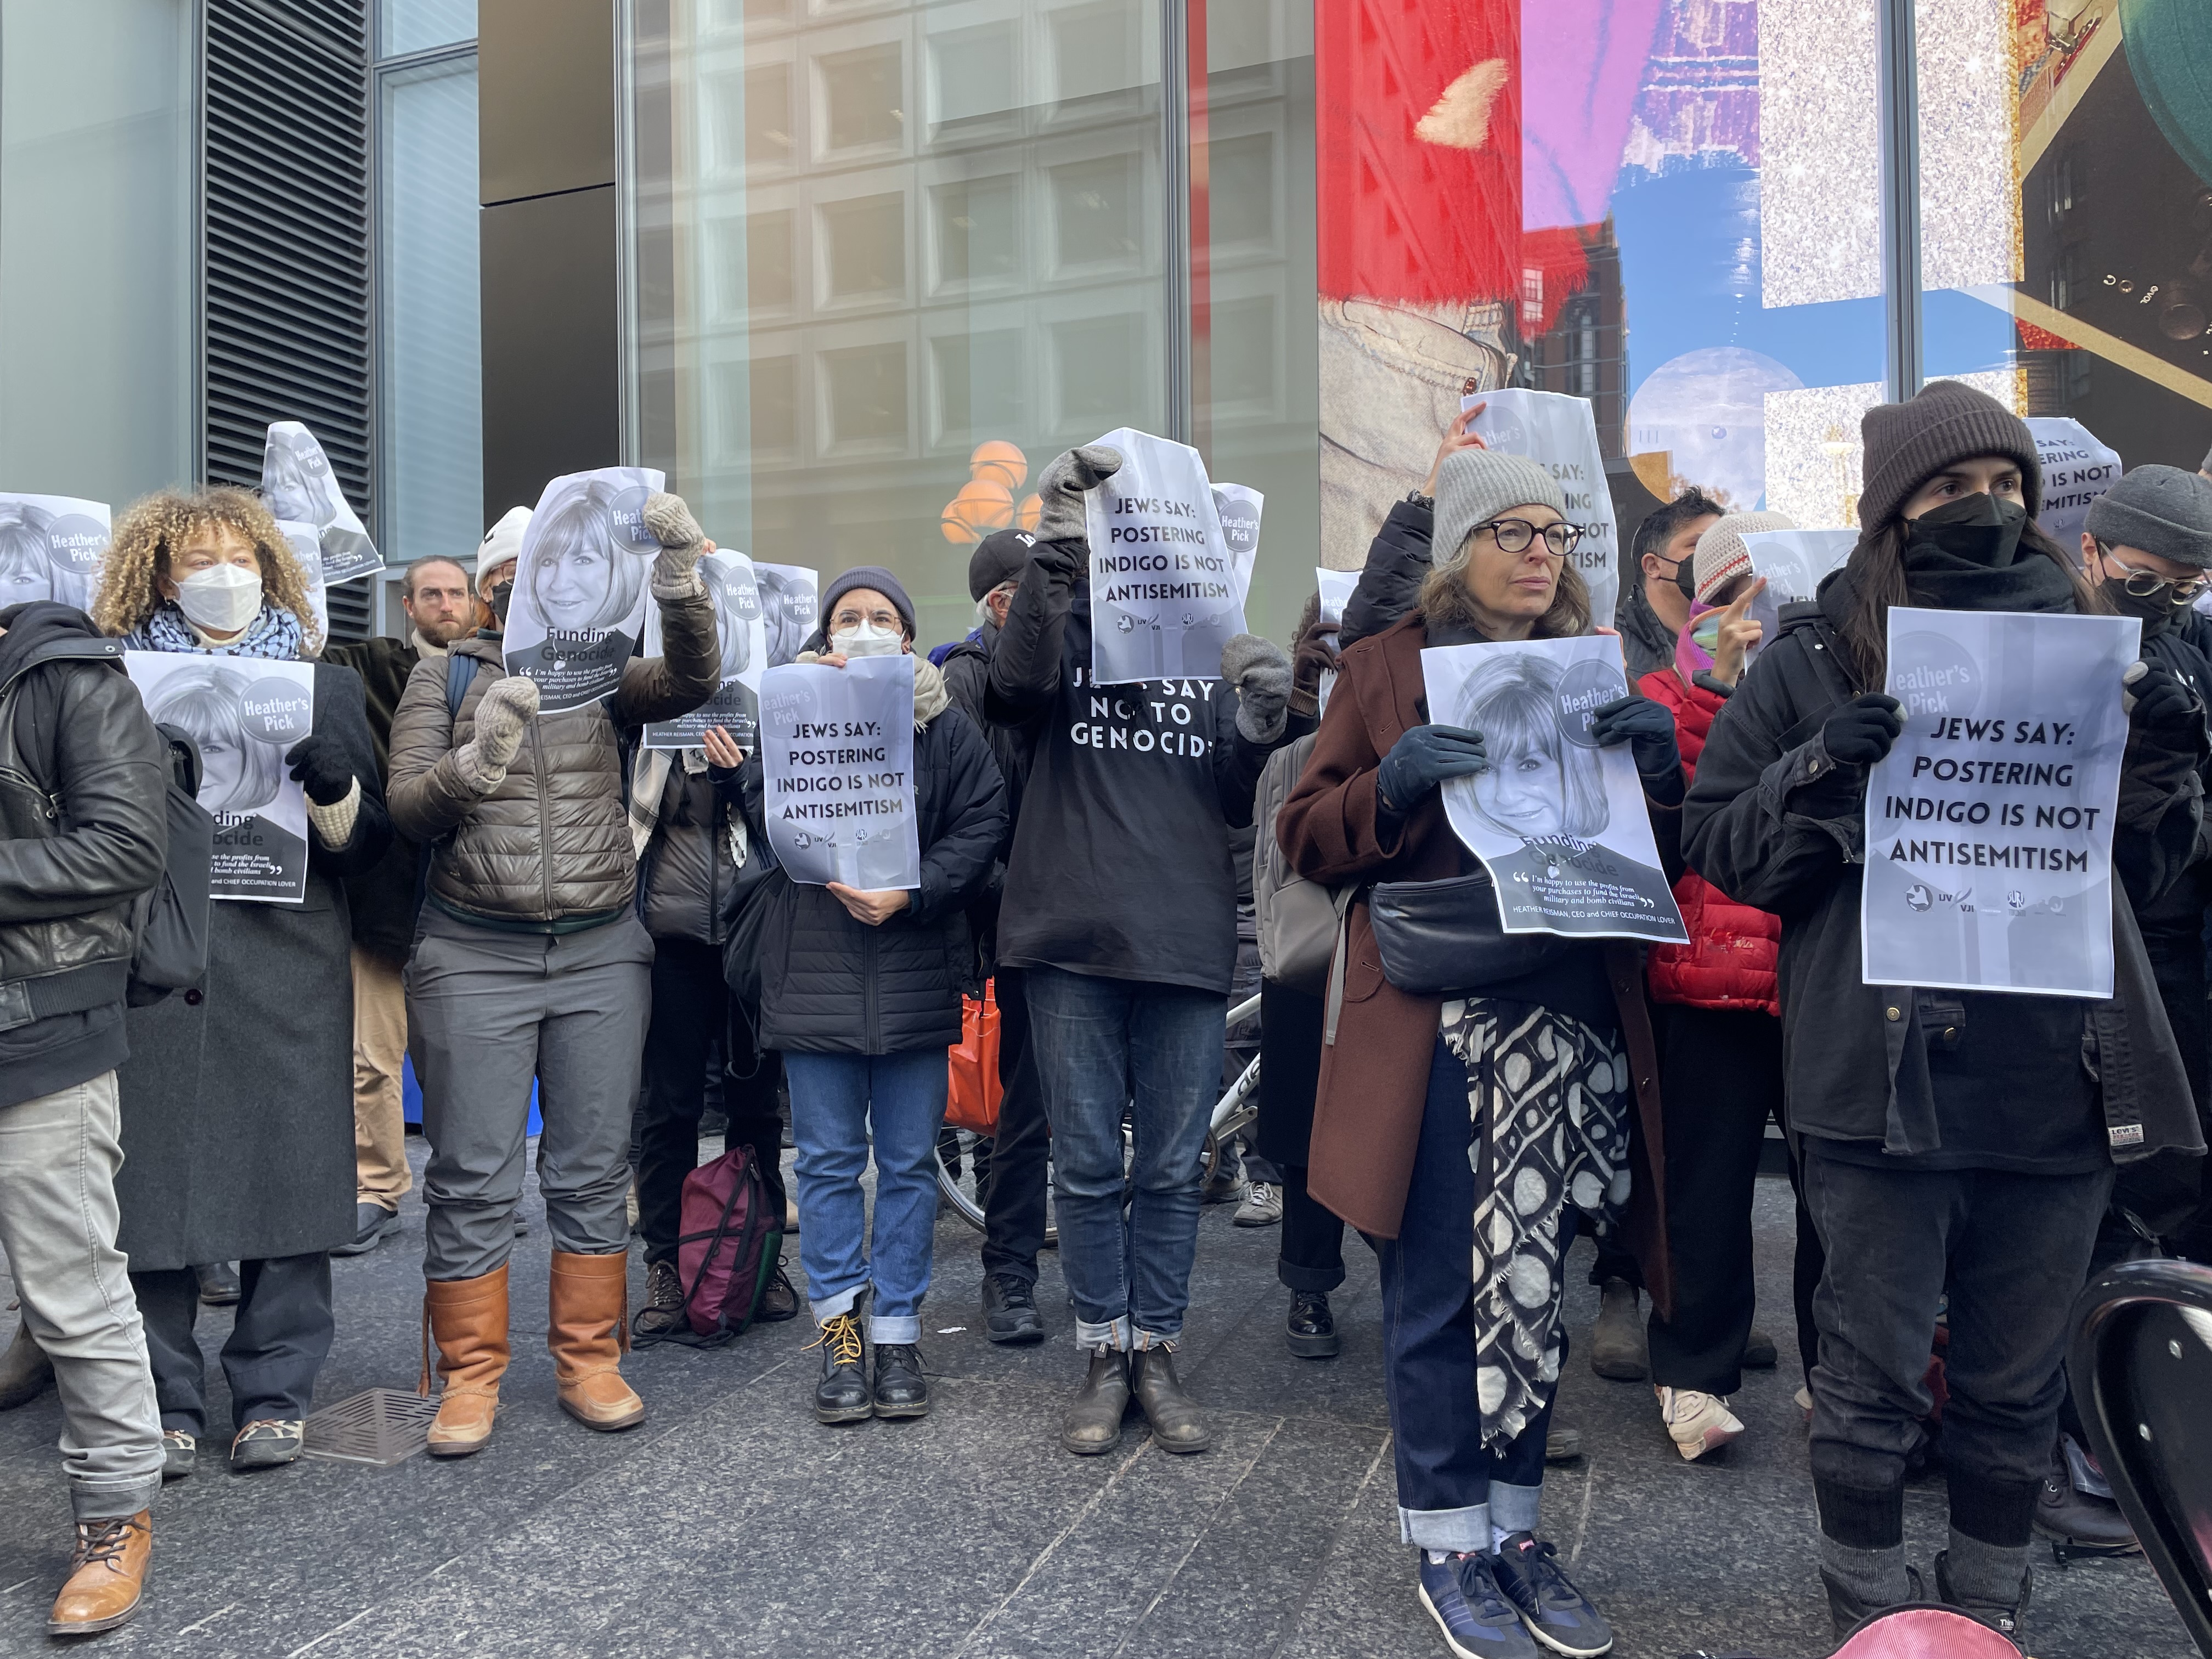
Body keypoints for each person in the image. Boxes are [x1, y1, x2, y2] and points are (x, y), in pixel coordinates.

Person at [1681, 381, 2208, 1643]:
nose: (1988, 510)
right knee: (1864, 1384)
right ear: (1890, 513)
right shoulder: (1815, 656)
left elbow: (2159, 874)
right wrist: (1822, 768)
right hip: (1881, 1088)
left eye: (2009, 487)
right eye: (1952, 490)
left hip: (2060, 1084)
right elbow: (1718, 845)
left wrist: (2171, 761)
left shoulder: (2102, 650)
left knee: (2015, 1386)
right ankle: (1867, 1614)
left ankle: (1986, 1608)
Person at [1281, 447, 1681, 1659]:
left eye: (1554, 533)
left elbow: (1654, 850)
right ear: (1460, 547)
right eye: (1510, 530)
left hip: (1570, 1028)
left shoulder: (1603, 671)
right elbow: (1305, 833)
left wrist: (1659, 773)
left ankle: (1516, 1532)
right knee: (1437, 1293)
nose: (1538, 551)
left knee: (1535, 1295)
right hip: (1441, 1029)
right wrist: (1388, 789)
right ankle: (1448, 1544)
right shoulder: (1383, 667)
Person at [986, 448, 1302, 1459]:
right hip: (1071, 935)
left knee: (1169, 1166)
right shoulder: (1066, 629)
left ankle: (1154, 1348)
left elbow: (1229, 797)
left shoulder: (1216, 649)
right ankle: (1099, 1352)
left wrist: (1259, 723)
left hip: (1180, 933)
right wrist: (1058, 544)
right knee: (1081, 1164)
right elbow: (1014, 684)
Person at [387, 492, 719, 1457]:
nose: (547, 584)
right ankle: (471, 1375)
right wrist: (480, 754)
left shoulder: (608, 671)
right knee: (471, 1176)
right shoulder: (444, 675)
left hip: (598, 949)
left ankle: (588, 1357)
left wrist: (679, 575)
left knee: (589, 1167)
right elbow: (408, 805)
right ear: (500, 589)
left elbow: (696, 675)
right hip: (471, 951)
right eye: (521, 572)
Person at [93, 487, 392, 1480]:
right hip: (154, 965)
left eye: (243, 556)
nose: (224, 572)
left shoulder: (328, 686)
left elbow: (373, 859)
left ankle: (274, 1393)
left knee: (288, 1177)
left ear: (272, 570)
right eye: (198, 558)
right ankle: (165, 1400)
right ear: (159, 576)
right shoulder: (108, 686)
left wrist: (340, 790)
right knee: (152, 1188)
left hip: (286, 960)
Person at [746, 567, 1005, 1420]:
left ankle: (895, 1331)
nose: (863, 627)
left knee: (904, 1166)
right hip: (813, 979)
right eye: (848, 617)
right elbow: (763, 824)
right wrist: (750, 760)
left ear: (905, 636)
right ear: (826, 635)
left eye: (881, 617)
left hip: (915, 975)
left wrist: (917, 889)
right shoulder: (787, 714)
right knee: (822, 1165)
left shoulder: (947, 730)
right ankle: (839, 1336)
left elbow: (984, 826)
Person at [0, 598, 171, 1635]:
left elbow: (123, 848)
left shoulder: (69, 677)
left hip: (36, 1028)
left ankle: (115, 1515)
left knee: (71, 1283)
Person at [1633, 511, 1812, 1463]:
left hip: (1814, 971)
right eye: (1736, 596)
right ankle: (1692, 1372)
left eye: (1771, 595)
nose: (1758, 617)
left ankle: (1839, 1372)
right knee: (1704, 1186)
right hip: (1703, 971)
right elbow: (1686, 813)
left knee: (1833, 1193)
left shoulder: (1831, 676)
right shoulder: (1662, 693)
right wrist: (1716, 688)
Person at [321, 550, 486, 1255]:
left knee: (471, 1059)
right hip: (386, 897)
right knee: (371, 1058)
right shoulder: (368, 668)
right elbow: (303, 646)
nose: (446, 603)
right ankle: (377, 1187)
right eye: (431, 594)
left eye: (457, 592)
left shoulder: (499, 669)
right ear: (409, 607)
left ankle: (480, 1188)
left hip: (475, 896)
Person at [629, 709, 799, 1339]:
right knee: (668, 1110)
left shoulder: (767, 704)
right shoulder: (649, 714)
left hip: (752, 935)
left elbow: (791, 824)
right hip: (671, 939)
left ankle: (759, 1255)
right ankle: (667, 1263)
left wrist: (736, 778)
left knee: (756, 1111)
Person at [940, 529, 1052, 1344]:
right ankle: (1009, 1271)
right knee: (1024, 1107)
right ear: (1006, 603)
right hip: (1018, 922)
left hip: (1067, 911)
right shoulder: (967, 680)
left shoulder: (1062, 668)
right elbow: (971, 814)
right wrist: (1016, 899)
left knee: (1042, 1103)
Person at [1615, 487, 1724, 683]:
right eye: (1702, 544)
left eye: (1722, 546)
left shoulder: (1743, 638)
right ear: (1653, 566)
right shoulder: (1613, 646)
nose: (1719, 555)